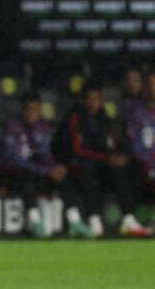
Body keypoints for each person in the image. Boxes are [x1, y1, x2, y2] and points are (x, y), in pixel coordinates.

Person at [53, 80, 151, 238]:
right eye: (90, 99)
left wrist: (118, 155)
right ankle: (94, 219)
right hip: (73, 165)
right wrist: (108, 158)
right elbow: (77, 151)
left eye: (97, 99)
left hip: (99, 164)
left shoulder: (103, 117)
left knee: (123, 168)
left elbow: (111, 142)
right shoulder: (74, 117)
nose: (94, 103)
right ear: (84, 101)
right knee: (87, 169)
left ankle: (128, 219)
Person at [0, 92, 90, 238]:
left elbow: (45, 155)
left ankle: (74, 220)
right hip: (10, 174)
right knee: (27, 174)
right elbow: (14, 159)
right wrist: (45, 171)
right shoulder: (12, 127)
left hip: (37, 174)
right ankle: (35, 221)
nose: (32, 114)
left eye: (36, 110)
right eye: (29, 110)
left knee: (63, 176)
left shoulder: (43, 128)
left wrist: (55, 168)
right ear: (22, 110)